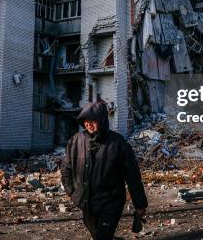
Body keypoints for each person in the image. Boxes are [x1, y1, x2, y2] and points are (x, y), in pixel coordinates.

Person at [61, 101, 148, 240]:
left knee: (103, 237)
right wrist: (71, 191)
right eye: (86, 120)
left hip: (111, 202)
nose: (89, 124)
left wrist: (140, 204)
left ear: (102, 120)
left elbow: (133, 176)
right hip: (86, 202)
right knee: (99, 236)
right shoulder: (76, 141)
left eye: (93, 120)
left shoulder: (118, 144)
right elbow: (66, 168)